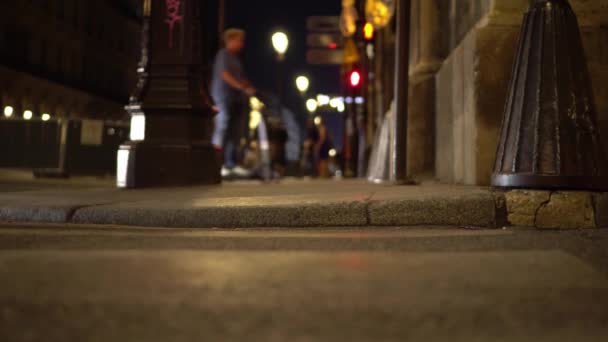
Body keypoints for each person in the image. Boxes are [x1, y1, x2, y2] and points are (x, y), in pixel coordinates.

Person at [210, 28, 256, 178]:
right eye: (239, 40)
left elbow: (240, 78)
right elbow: (225, 75)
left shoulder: (236, 59)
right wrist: (242, 87)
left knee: (235, 133)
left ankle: (230, 164)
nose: (242, 44)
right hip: (222, 98)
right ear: (230, 40)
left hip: (236, 100)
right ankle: (215, 163)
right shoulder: (223, 55)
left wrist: (249, 86)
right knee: (222, 127)